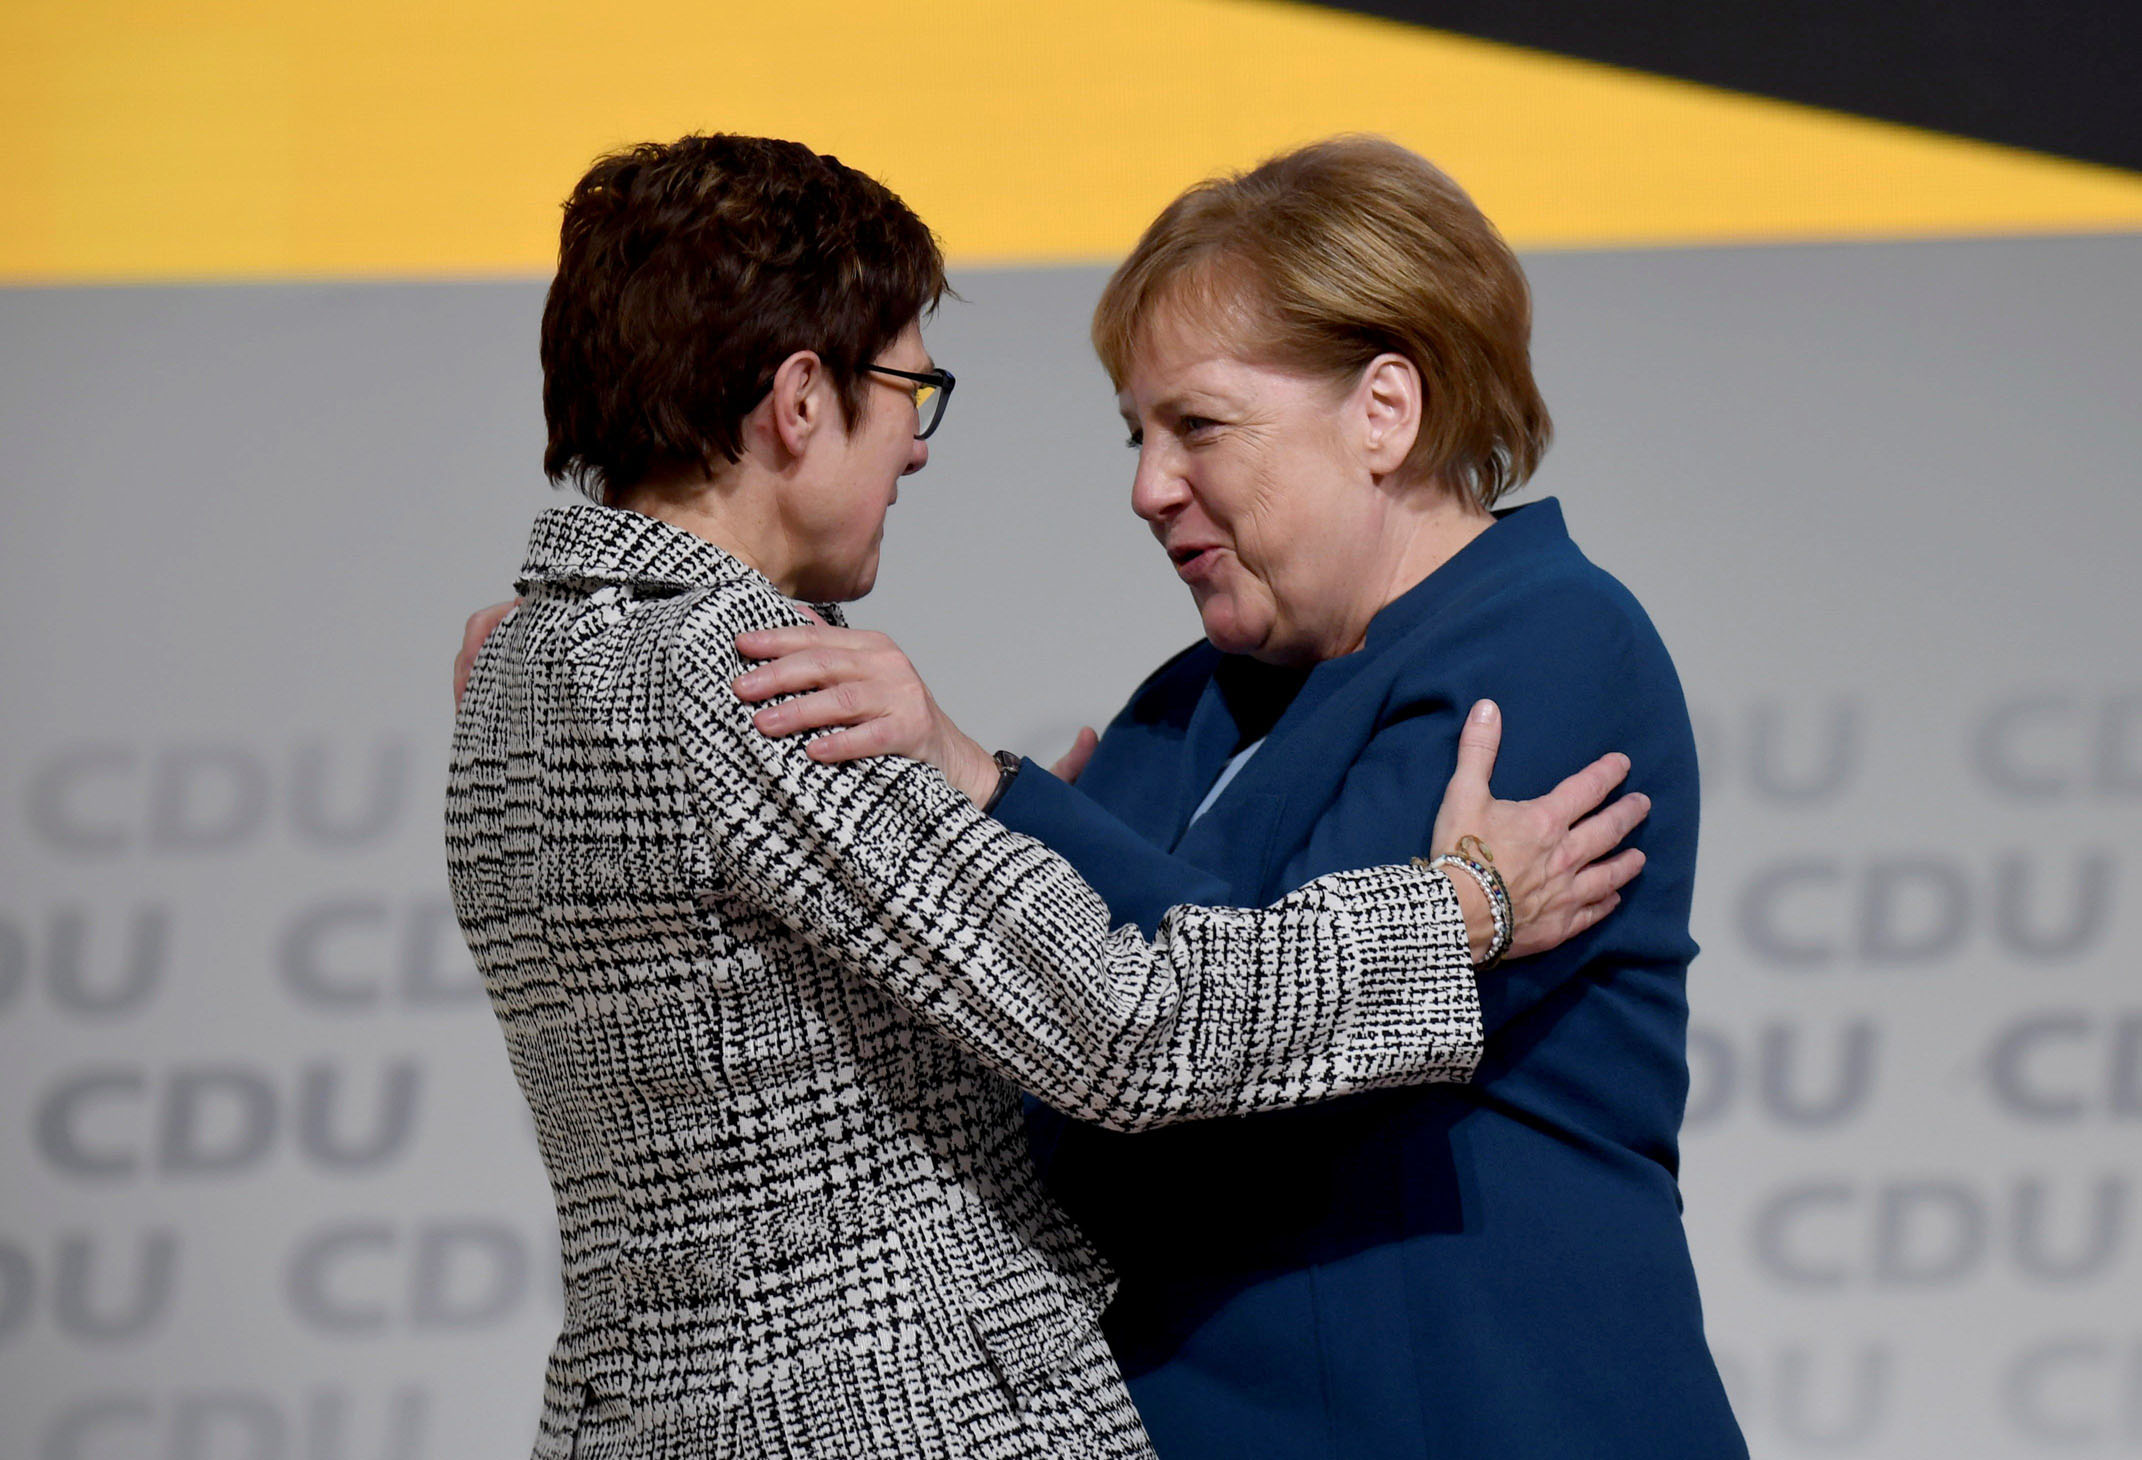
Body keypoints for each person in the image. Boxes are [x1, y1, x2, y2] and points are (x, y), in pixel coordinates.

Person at [447, 133, 1651, 1460]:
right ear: (799, 401)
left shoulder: (530, 668)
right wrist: (1467, 906)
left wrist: (991, 833)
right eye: (908, 387)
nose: (913, 445)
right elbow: (1127, 1030)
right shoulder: (750, 679)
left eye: (1193, 425)